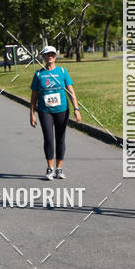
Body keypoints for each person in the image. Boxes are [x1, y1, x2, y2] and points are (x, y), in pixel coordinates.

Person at [30, 46, 81, 180]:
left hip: (62, 110)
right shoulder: (39, 74)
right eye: (47, 54)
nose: (50, 56)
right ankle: (50, 168)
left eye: (52, 54)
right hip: (44, 110)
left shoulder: (62, 72)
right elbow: (34, 96)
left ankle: (59, 169)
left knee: (60, 138)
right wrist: (32, 114)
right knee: (48, 138)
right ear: (43, 57)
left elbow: (71, 91)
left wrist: (76, 109)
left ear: (55, 56)